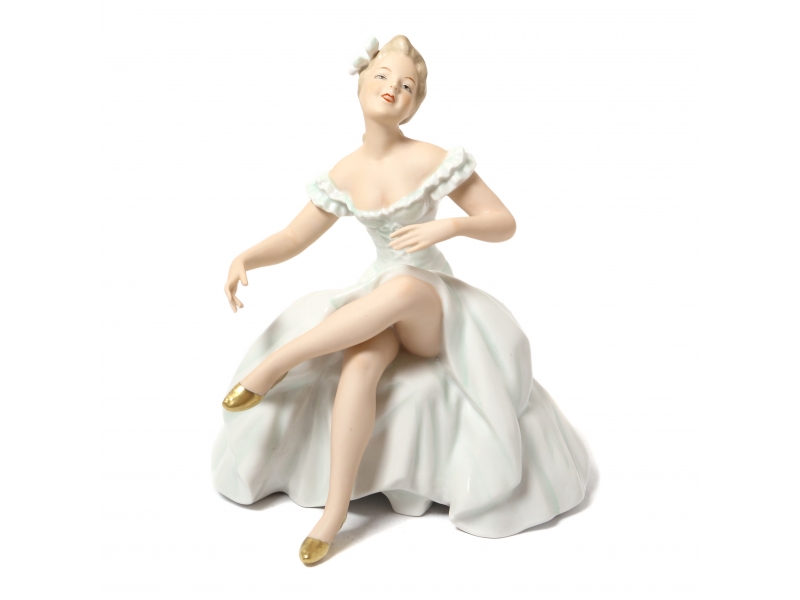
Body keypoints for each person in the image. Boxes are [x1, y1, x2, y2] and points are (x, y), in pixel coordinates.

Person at [212, 35, 590, 565]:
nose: (393, 88)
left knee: (406, 286)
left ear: (414, 105)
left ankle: (278, 364)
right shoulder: (345, 172)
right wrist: (246, 257)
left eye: (407, 86)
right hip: (380, 293)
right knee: (360, 365)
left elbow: (502, 222)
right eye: (383, 76)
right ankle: (333, 515)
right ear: (362, 83)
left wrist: (448, 227)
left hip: (431, 303)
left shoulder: (432, 158)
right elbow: (295, 236)